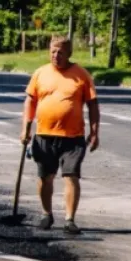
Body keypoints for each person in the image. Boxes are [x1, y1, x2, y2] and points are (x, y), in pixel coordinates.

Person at [20, 36, 100, 235]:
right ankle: (47, 214)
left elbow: (92, 105)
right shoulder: (40, 73)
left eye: (61, 52)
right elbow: (30, 102)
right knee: (45, 177)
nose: (56, 55)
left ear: (69, 53)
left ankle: (69, 219)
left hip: (73, 137)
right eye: (53, 51)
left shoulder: (81, 75)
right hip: (44, 135)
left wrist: (95, 132)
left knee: (71, 175)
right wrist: (26, 129)